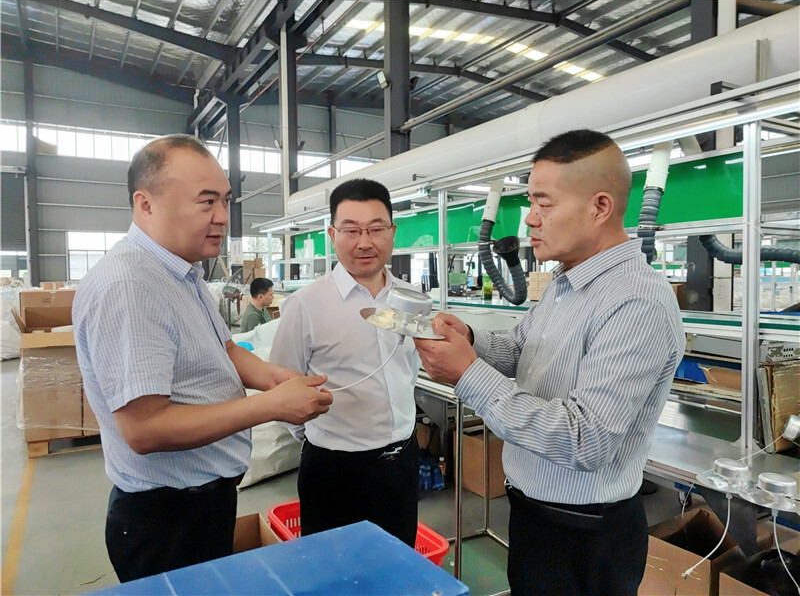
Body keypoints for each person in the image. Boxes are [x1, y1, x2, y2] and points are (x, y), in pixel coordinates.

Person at [415, 129, 684, 595]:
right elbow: (520, 350)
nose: (530, 219)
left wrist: (467, 373)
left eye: (544, 203)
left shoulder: (636, 302)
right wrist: (470, 339)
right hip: (535, 515)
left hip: (584, 533)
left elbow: (585, 440)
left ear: (599, 207)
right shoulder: (565, 282)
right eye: (530, 202)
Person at [72, 134, 333, 583]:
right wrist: (271, 406)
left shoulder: (182, 271)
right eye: (206, 202)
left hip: (203, 502)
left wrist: (274, 378)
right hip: (168, 518)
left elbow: (224, 349)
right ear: (145, 205)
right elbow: (146, 428)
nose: (223, 217)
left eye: (226, 201)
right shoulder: (131, 287)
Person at [269, 178, 421, 546]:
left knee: (399, 564)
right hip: (335, 470)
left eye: (376, 229)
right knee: (332, 569)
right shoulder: (306, 304)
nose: (364, 242)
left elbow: (410, 371)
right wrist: (321, 441)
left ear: (392, 232)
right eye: (351, 230)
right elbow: (281, 386)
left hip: (402, 462)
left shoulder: (412, 298)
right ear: (332, 235)